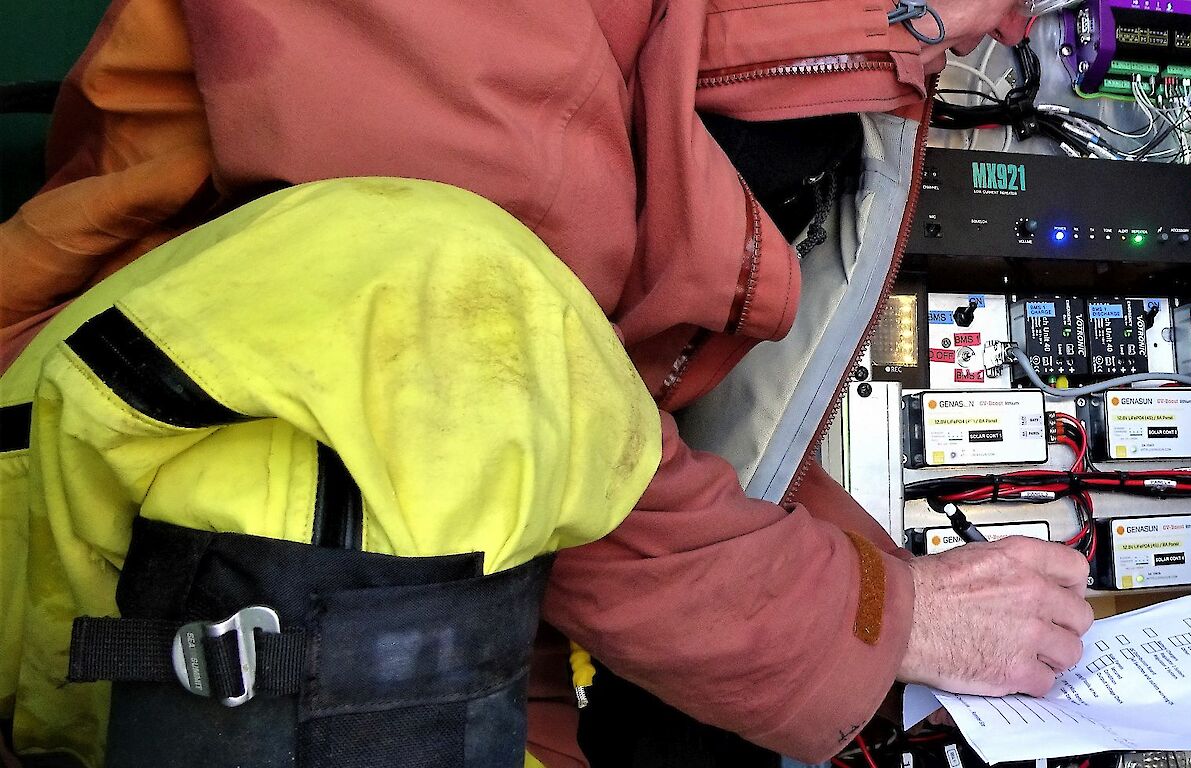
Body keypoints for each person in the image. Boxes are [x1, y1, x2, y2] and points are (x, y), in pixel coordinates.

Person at [0, 0, 1096, 765]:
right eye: (1027, 2)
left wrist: (898, 597)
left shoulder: (854, 68)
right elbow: (462, 379)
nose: (1013, 35)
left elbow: (638, 428)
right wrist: (891, 619)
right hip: (119, 517)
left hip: (446, 590)